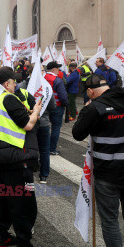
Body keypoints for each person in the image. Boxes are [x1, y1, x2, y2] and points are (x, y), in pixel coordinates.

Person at [0, 68, 42, 247]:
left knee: (5, 198)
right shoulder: (9, 98)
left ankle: (3, 236)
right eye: (14, 83)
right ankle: (24, 241)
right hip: (17, 158)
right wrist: (36, 111)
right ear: (7, 84)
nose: (16, 86)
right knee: (23, 201)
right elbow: (28, 125)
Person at [72, 74, 124, 247]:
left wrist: (85, 111)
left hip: (107, 175)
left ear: (89, 91)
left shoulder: (95, 108)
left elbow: (77, 134)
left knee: (110, 221)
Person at [44, 62, 68, 156]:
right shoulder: (57, 80)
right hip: (57, 107)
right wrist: (66, 104)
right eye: (58, 69)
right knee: (56, 128)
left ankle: (44, 146)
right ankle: (52, 149)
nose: (59, 70)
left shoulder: (43, 78)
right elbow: (63, 96)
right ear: (53, 70)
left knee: (45, 127)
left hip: (45, 107)